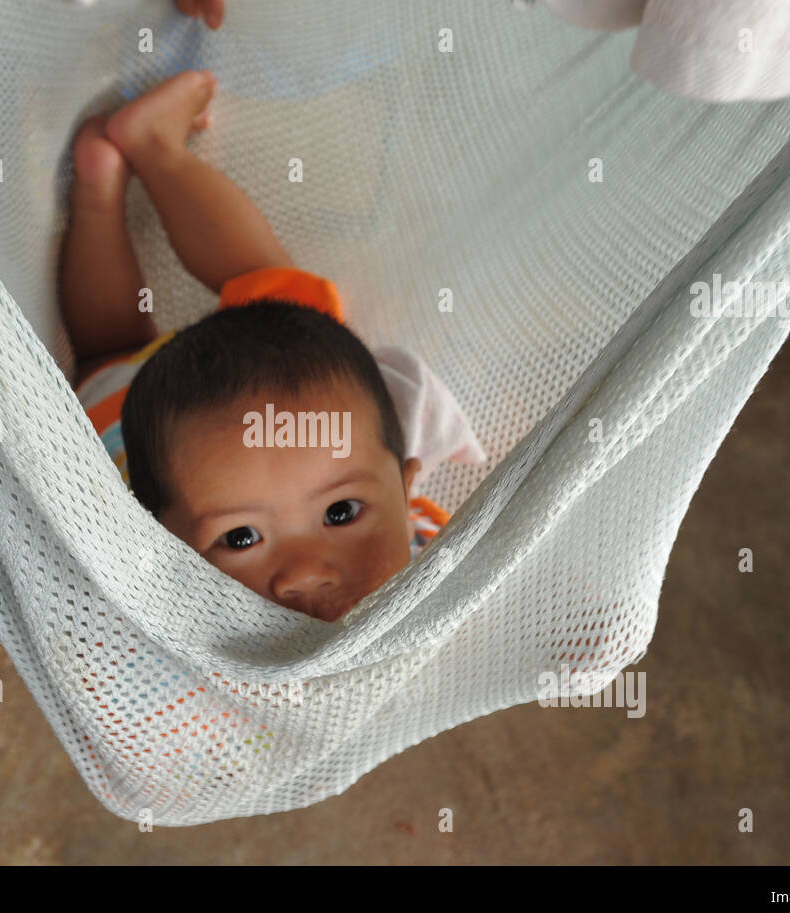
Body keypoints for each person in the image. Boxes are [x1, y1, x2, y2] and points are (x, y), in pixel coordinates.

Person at [58, 65, 483, 622]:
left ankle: (113, 178)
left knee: (112, 351)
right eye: (238, 538)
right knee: (124, 351)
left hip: (112, 410)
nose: (305, 572)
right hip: (121, 412)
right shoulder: (433, 567)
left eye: (342, 512)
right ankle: (125, 164)